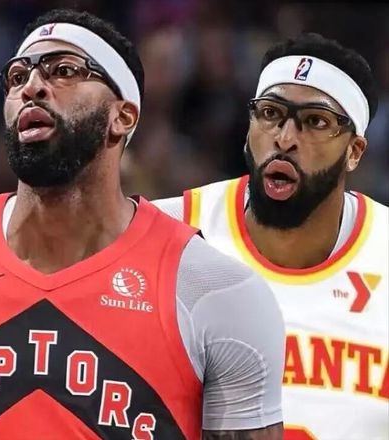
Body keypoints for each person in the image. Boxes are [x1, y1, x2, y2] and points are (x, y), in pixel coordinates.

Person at [0, 9, 284, 440]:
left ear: (123, 117)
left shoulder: (216, 291)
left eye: (64, 71)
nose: (32, 87)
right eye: (17, 76)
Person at [154, 33, 388, 440]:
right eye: (270, 113)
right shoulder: (165, 229)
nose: (285, 138)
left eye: (315, 121)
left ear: (354, 151)